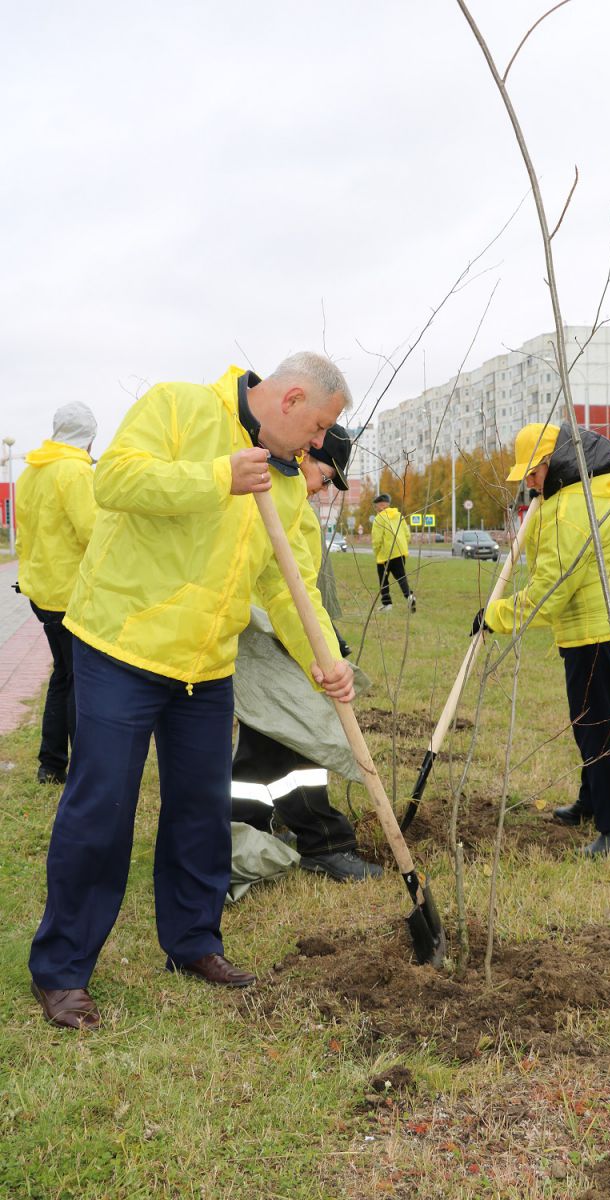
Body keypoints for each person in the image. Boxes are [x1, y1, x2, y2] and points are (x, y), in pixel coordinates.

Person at [28, 354, 355, 1030]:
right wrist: (217, 477)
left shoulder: (287, 482)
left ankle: (195, 943)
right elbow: (115, 480)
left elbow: (284, 582)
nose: (320, 442)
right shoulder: (178, 405)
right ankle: (62, 971)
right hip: (122, 645)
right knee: (102, 808)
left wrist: (324, 655)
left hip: (204, 668)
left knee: (201, 811)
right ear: (292, 398)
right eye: (319, 426)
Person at [473, 422, 610, 858]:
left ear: (552, 463)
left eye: (532, 473)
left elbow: (549, 593)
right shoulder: (605, 482)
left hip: (600, 622)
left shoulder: (569, 509)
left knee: (594, 724)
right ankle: (593, 800)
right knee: (608, 717)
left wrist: (494, 616)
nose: (528, 482)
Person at [230, 424, 382, 883]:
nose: (323, 488)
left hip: (283, 636)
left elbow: (308, 590)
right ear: (305, 454)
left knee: (261, 744)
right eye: (324, 475)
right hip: (264, 637)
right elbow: (281, 587)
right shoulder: (269, 492)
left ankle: (248, 824)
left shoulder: (294, 501)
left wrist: (327, 641)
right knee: (301, 736)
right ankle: (325, 842)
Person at [15, 403, 98, 785]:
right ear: (88, 436)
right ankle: (82, 768)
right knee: (78, 679)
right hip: (72, 595)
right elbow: (93, 533)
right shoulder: (76, 472)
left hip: (40, 591)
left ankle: (50, 764)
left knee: (62, 675)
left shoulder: (33, 471)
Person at [371, 493, 415, 613]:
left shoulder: (379, 518)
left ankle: (387, 603)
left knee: (383, 579)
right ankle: (410, 596)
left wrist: (376, 551)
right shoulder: (399, 516)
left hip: (385, 554)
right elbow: (407, 534)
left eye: (376, 506)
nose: (376, 509)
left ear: (381, 505)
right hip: (400, 552)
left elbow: (377, 539)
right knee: (401, 577)